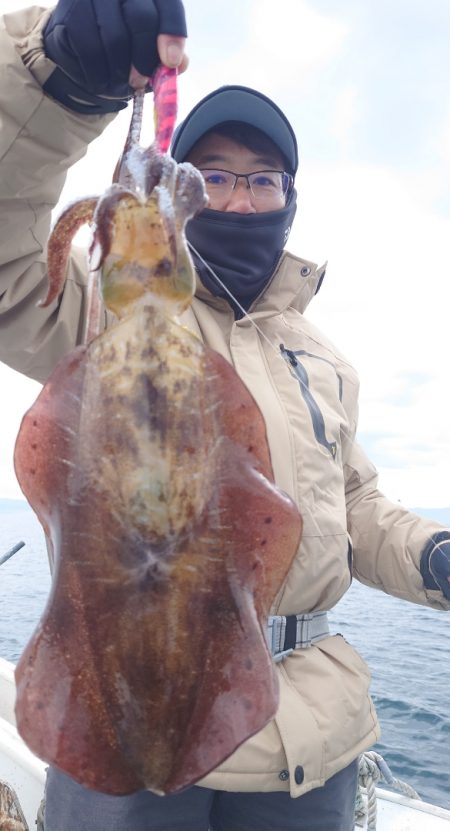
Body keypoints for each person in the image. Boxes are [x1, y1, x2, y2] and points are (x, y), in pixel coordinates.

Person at [1, 2, 450, 830]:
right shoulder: (106, 307)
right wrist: (51, 80)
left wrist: (434, 556)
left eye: (262, 177)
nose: (239, 200)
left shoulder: (324, 360)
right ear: (186, 196)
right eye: (215, 176)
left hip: (306, 736)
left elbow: (349, 510)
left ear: (289, 197)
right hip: (118, 714)